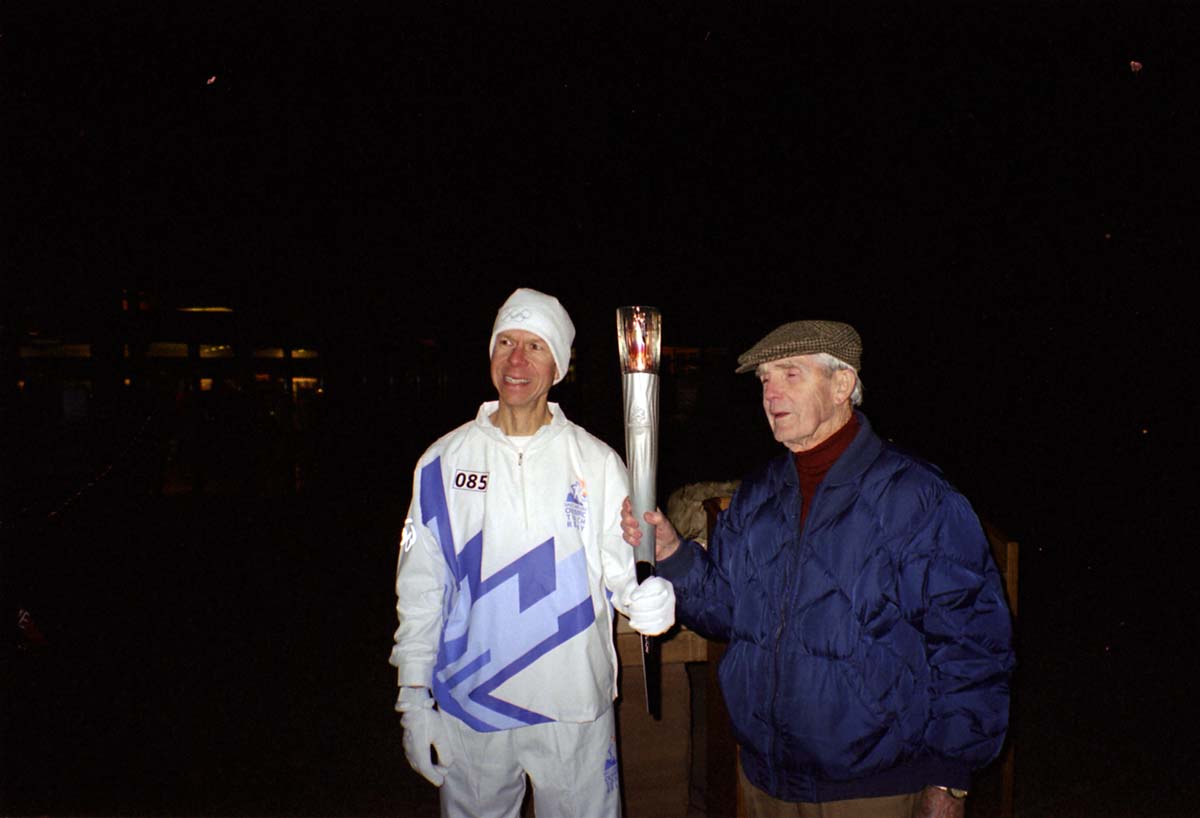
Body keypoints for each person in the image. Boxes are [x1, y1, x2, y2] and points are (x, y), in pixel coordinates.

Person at [622, 320, 1015, 818]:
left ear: (842, 385)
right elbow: (726, 612)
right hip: (768, 781)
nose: (771, 393)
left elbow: (972, 644)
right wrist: (674, 551)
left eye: (790, 374)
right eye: (764, 379)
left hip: (875, 788)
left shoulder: (917, 499)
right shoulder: (760, 494)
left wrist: (950, 778)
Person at [391, 287, 676, 818]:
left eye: (535, 346)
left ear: (560, 364)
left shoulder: (597, 463)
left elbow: (624, 574)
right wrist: (412, 696)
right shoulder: (441, 463)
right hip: (471, 704)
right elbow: (421, 590)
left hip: (572, 708)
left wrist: (649, 602)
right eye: (505, 342)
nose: (516, 360)